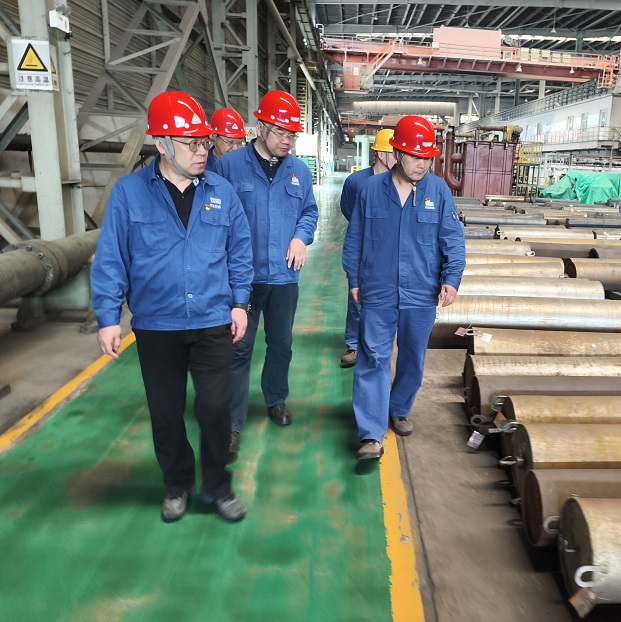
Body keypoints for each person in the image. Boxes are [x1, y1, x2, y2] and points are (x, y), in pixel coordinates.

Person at [90, 91, 254, 522]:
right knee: (165, 413)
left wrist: (240, 302)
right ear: (161, 143)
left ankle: (217, 485)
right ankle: (178, 484)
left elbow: (240, 251)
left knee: (215, 409)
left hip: (213, 320)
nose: (202, 151)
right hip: (157, 323)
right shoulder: (129, 194)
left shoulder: (222, 192)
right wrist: (108, 317)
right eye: (192, 143)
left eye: (205, 142)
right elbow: (112, 258)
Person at [342, 115, 466, 460]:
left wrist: (451, 278)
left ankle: (398, 408)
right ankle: (371, 433)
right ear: (397, 153)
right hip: (377, 290)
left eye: (427, 158)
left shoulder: (438, 191)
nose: (422, 164)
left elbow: (452, 239)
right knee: (373, 358)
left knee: (413, 357)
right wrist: (354, 280)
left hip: (421, 293)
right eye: (415, 156)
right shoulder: (370, 191)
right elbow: (355, 240)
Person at [215, 90, 319, 453]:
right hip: (242, 278)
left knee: (281, 344)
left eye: (292, 134)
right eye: (280, 132)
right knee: (238, 348)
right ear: (260, 127)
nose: (287, 140)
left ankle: (276, 398)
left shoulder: (299, 171)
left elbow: (309, 211)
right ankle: (231, 422)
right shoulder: (229, 167)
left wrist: (301, 237)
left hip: (284, 277)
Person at [338, 128, 397, 368]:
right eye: (396, 153)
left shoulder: (399, 182)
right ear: (382, 154)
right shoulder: (356, 182)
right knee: (358, 297)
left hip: (390, 248)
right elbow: (348, 210)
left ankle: (381, 343)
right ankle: (353, 345)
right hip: (363, 247)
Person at [206, 107, 247, 172]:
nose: (235, 148)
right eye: (230, 142)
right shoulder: (203, 166)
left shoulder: (247, 165)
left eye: (239, 143)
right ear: (214, 137)